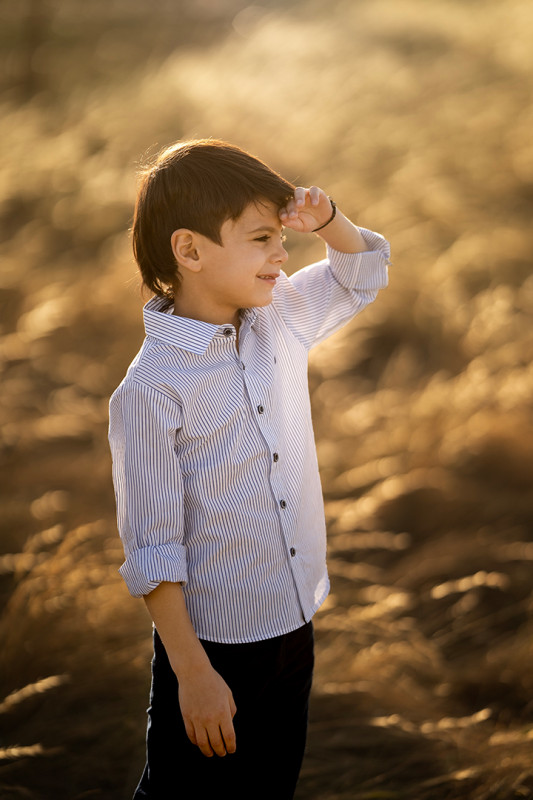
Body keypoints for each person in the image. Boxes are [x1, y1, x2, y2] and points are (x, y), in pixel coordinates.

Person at [108, 139, 390, 800]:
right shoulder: (151, 390)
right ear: (190, 250)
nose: (282, 255)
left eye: (281, 237)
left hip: (292, 619)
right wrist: (192, 674)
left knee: (269, 786)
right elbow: (152, 547)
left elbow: (362, 271)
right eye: (262, 238)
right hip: (212, 649)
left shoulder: (280, 319)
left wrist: (327, 221)